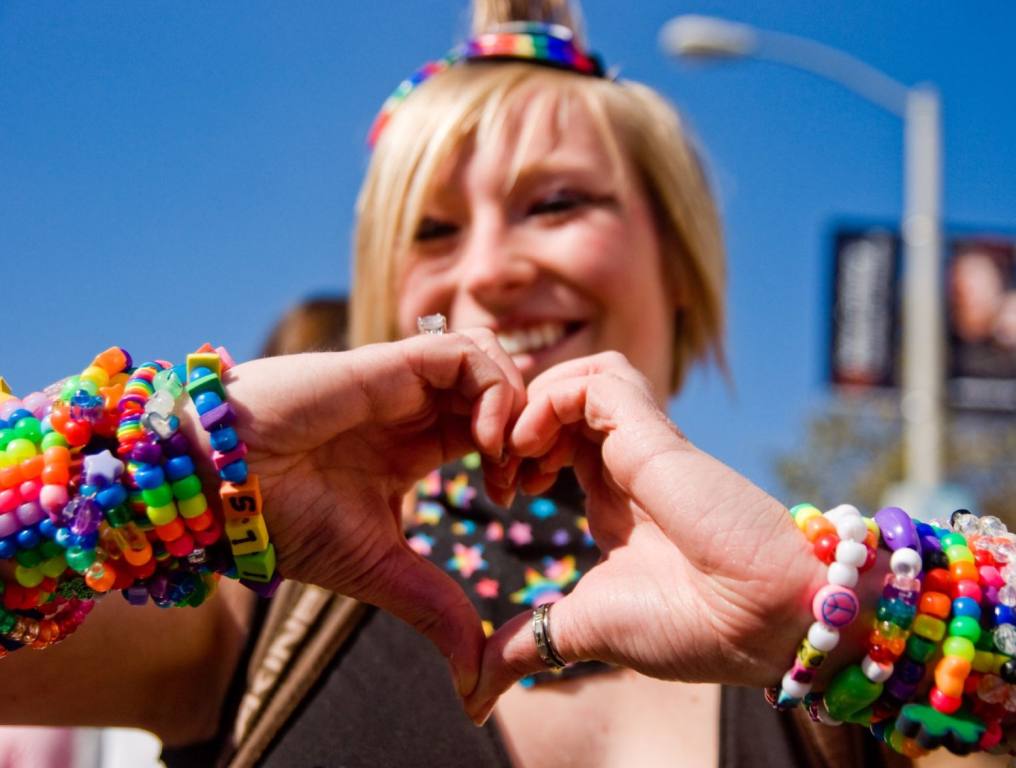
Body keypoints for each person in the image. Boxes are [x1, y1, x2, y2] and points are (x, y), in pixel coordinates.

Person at [0, 2, 1007, 767]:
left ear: (679, 268)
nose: (485, 270)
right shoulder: (245, 609)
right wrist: (169, 458)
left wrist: (831, 612)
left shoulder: (836, 667)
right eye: (431, 231)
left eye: (557, 203)